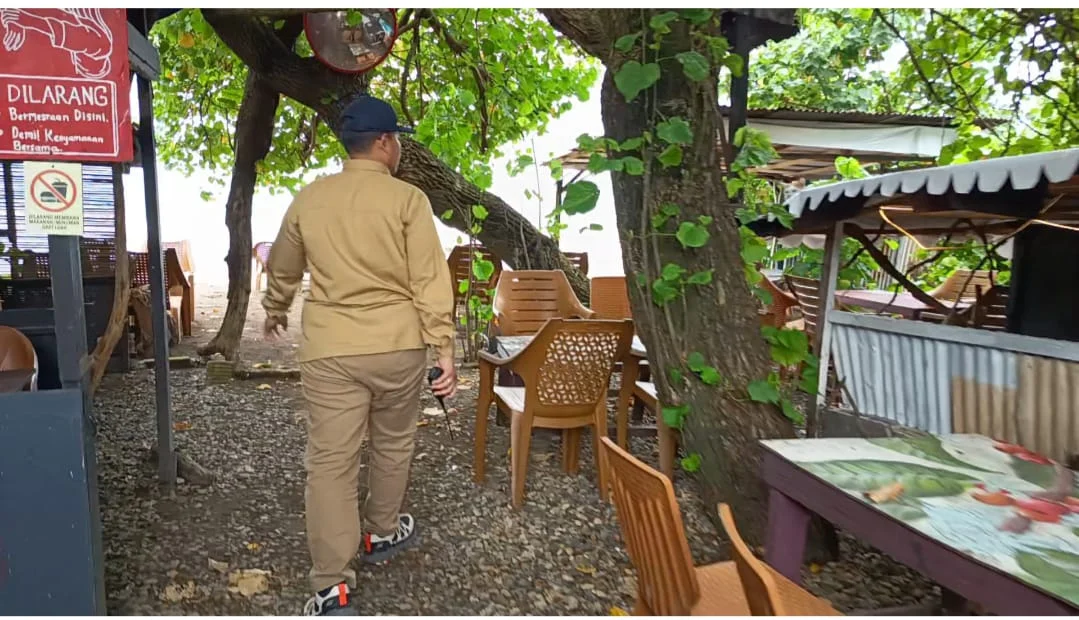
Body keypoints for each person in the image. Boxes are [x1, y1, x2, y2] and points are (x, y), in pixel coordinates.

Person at [261, 95, 457, 616]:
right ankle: (383, 532)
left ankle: (331, 584)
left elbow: (282, 263)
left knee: (330, 463)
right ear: (386, 143)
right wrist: (444, 348)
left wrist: (275, 308)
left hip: (331, 351)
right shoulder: (408, 201)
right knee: (393, 443)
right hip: (398, 347)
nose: (399, 150)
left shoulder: (310, 197)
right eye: (398, 141)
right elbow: (430, 281)